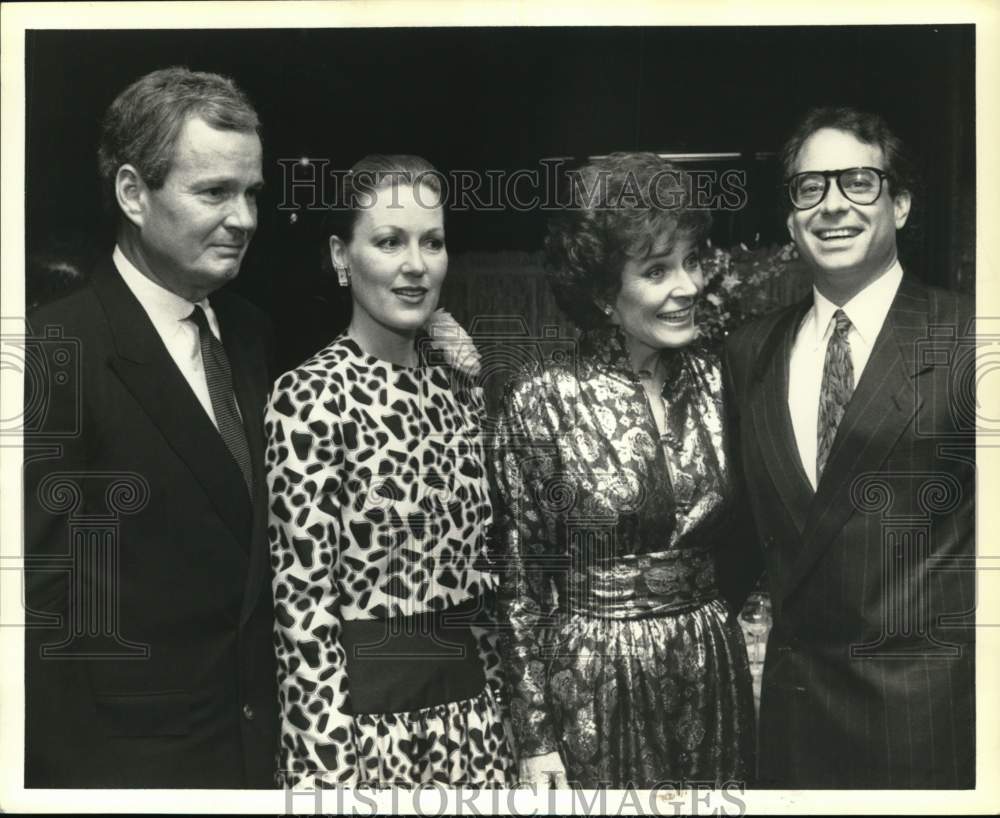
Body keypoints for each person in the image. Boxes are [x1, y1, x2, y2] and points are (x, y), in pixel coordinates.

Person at [23, 66, 278, 788]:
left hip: (261, 766)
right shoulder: (52, 354)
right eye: (213, 193)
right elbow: (37, 619)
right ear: (133, 192)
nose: (245, 219)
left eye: (251, 192)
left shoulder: (255, 335)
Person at [724, 106, 975, 788]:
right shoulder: (750, 352)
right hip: (793, 733)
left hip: (928, 732)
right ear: (789, 217)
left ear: (901, 203)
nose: (832, 205)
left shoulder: (967, 340)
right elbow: (738, 539)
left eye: (859, 183)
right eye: (810, 188)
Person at [491, 152, 756, 789]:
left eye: (691, 260)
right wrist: (534, 738)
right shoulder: (540, 398)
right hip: (593, 684)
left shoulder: (725, 381)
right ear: (602, 291)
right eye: (658, 270)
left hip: (709, 666)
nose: (688, 286)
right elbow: (519, 586)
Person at [265, 155, 515, 788]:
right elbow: (303, 612)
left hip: (478, 729)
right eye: (388, 241)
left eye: (432, 242)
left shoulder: (461, 389)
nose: (416, 265)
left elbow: (488, 587)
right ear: (341, 256)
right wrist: (325, 779)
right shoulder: (308, 396)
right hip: (369, 742)